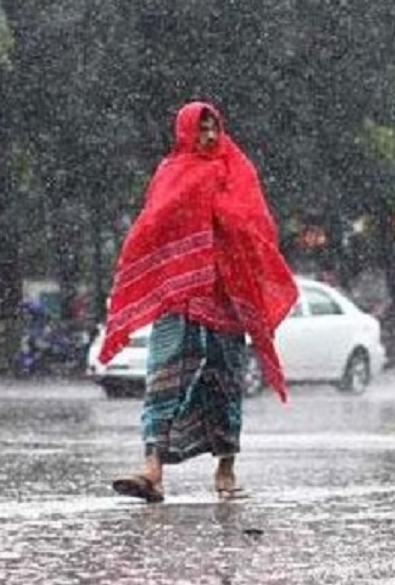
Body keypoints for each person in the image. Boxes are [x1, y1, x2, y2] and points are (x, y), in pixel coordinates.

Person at [98, 101, 299, 504]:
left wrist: (223, 219)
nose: (209, 135)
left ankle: (226, 466)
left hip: (226, 297)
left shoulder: (237, 170)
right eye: (201, 128)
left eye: (214, 128)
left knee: (224, 381)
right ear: (185, 131)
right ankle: (152, 470)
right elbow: (152, 226)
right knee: (164, 378)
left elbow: (255, 226)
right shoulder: (171, 173)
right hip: (180, 294)